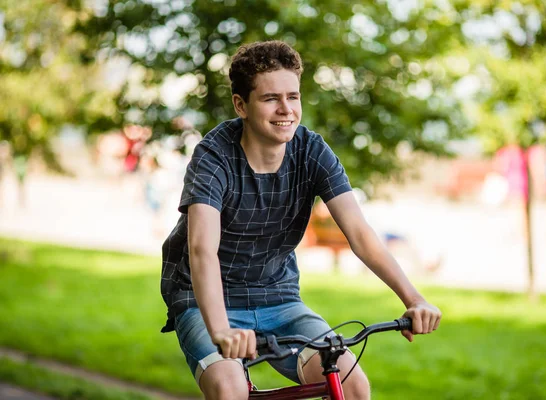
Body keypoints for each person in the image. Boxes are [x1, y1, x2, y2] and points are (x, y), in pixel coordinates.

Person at [160, 40, 441, 400]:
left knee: (352, 385)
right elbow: (202, 250)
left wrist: (413, 298)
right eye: (270, 98)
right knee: (230, 389)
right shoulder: (214, 157)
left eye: (293, 97)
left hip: (278, 298)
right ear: (240, 105)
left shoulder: (311, 150)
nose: (286, 109)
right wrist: (221, 329)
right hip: (205, 300)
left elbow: (359, 233)